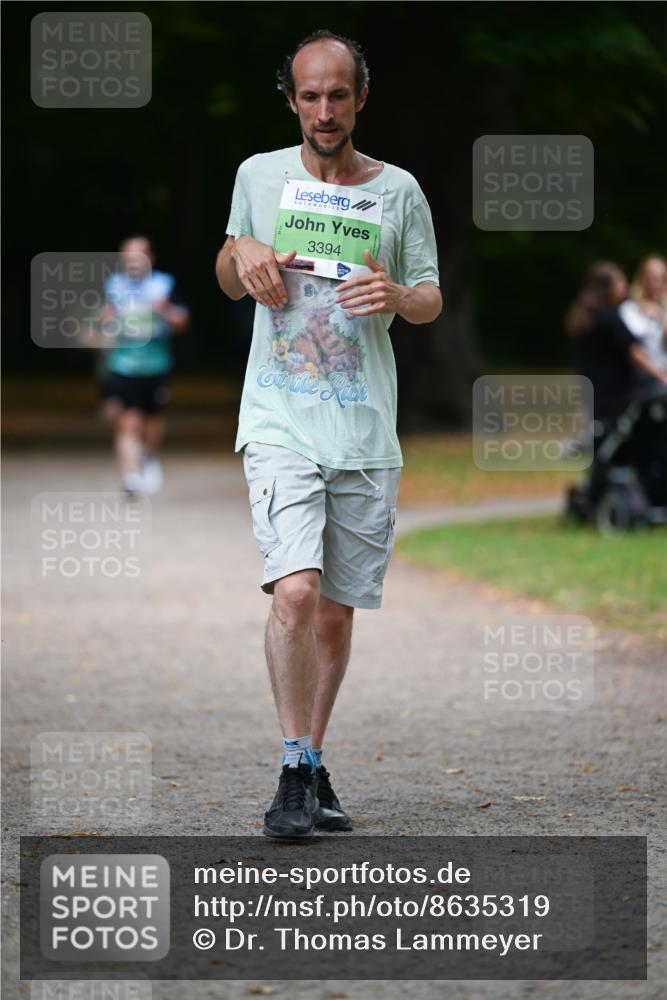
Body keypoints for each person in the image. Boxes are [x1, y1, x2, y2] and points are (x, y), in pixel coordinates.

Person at [216, 29, 441, 839]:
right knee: (295, 592)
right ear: (291, 101)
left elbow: (429, 296)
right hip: (279, 416)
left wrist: (396, 295)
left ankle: (313, 760)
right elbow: (227, 272)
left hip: (363, 426)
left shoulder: (399, 191)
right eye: (309, 96)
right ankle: (289, 769)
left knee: (336, 617)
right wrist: (243, 248)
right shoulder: (258, 175)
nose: (323, 111)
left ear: (359, 98)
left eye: (337, 95)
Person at [565, 260, 667, 506]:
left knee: (604, 448)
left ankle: (594, 496)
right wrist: (662, 377)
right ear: (607, 288)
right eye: (620, 282)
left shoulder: (581, 320)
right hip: (618, 398)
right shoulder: (610, 318)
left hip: (596, 398)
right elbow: (635, 353)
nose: (625, 287)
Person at [101, 236, 189, 496]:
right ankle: (130, 476)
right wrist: (106, 319)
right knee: (129, 421)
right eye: (128, 256)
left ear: (150, 258)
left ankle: (148, 457)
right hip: (122, 365)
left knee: (152, 422)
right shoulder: (113, 286)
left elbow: (182, 322)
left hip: (156, 365)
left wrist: (165, 310)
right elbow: (103, 320)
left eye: (138, 256)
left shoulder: (165, 285)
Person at [619, 254, 667, 374]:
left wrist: (661, 317)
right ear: (642, 279)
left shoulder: (664, 309)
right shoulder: (629, 309)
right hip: (641, 377)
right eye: (652, 278)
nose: (657, 284)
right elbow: (631, 349)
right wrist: (660, 376)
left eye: (662, 279)